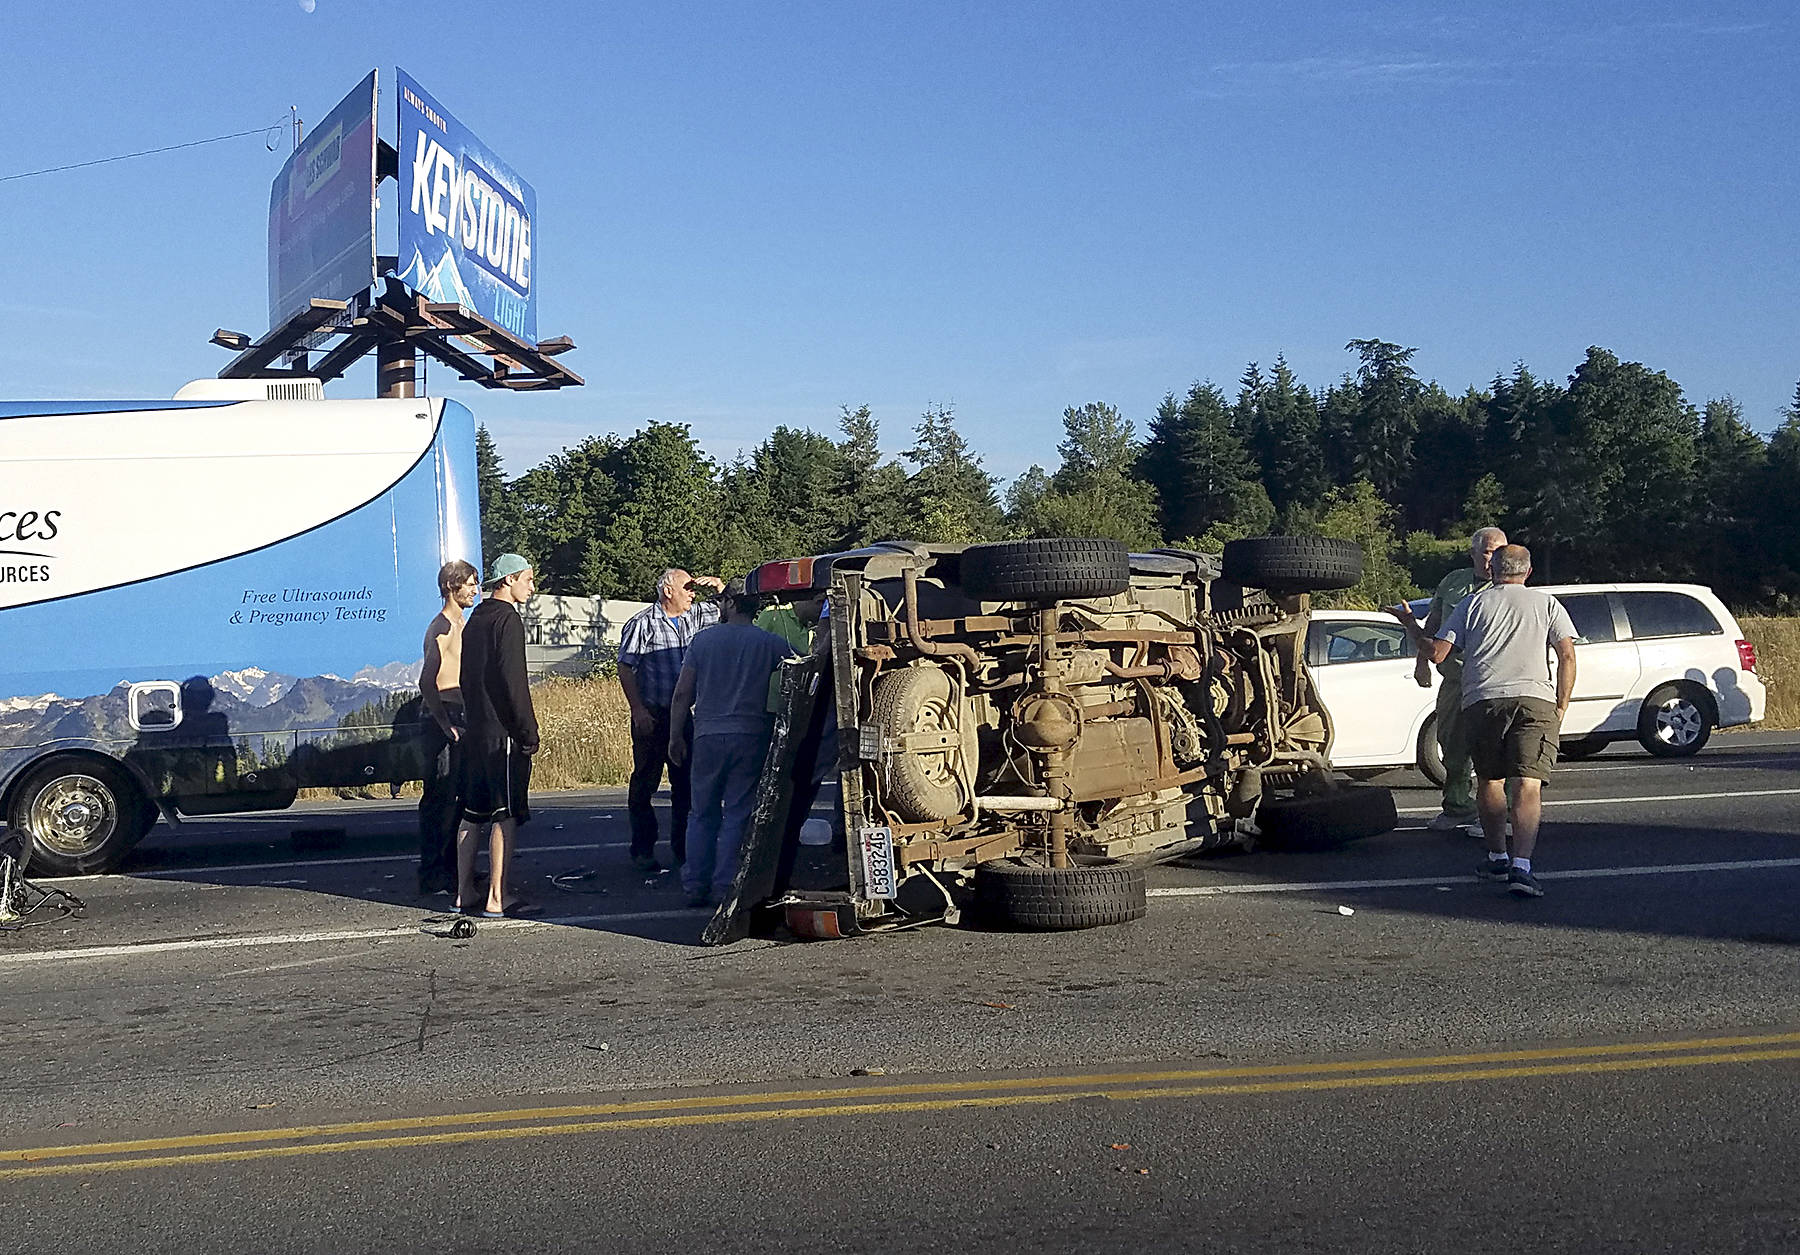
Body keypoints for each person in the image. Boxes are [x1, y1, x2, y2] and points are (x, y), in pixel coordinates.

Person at [1427, 544, 1577, 898]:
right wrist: (1561, 703)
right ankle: (1522, 868)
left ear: (1492, 570)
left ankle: (1496, 857)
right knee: (1528, 784)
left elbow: (1439, 653)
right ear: (1528, 571)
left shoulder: (1472, 604)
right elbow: (1567, 653)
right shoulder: (1547, 603)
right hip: (1535, 699)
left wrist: (1413, 629)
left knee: (1490, 780)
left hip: (1483, 699)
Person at [667, 579, 796, 909]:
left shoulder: (703, 641)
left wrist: (675, 736)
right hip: (752, 734)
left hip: (708, 734)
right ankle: (726, 884)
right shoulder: (770, 643)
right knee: (738, 812)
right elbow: (802, 668)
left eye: (723, 601)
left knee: (701, 812)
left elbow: (683, 693)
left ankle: (695, 882)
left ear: (732, 604)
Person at [1389, 526, 1507, 834]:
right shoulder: (1453, 583)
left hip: (1492, 681)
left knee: (1495, 748)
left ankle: (1496, 815)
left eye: (1499, 551)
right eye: (1487, 551)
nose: (1493, 559)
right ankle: (1457, 807)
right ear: (1473, 554)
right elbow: (1435, 626)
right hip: (1455, 678)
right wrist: (1422, 663)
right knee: (1451, 744)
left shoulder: (1510, 586)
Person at [617, 568, 725, 874]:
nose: (692, 593)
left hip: (684, 715)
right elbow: (625, 667)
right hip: (653, 711)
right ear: (668, 591)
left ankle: (684, 849)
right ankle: (643, 849)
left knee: (686, 785)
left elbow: (728, 607)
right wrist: (637, 709)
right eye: (687, 588)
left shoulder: (694, 617)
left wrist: (718, 586)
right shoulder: (643, 623)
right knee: (645, 783)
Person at [455, 553, 541, 917]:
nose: (532, 588)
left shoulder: (476, 618)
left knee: (471, 813)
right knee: (504, 813)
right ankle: (496, 896)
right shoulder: (507, 619)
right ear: (508, 580)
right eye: (528, 580)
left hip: (476, 727)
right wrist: (527, 730)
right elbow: (513, 682)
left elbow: (465, 676)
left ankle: (463, 893)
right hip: (501, 731)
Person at [417, 558, 478, 897]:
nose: (475, 590)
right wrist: (445, 724)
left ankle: (455, 869)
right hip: (444, 717)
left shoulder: (460, 623)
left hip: (459, 714)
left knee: (458, 799)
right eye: (470, 583)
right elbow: (427, 681)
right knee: (439, 800)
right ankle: (433, 873)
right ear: (453, 587)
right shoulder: (441, 626)